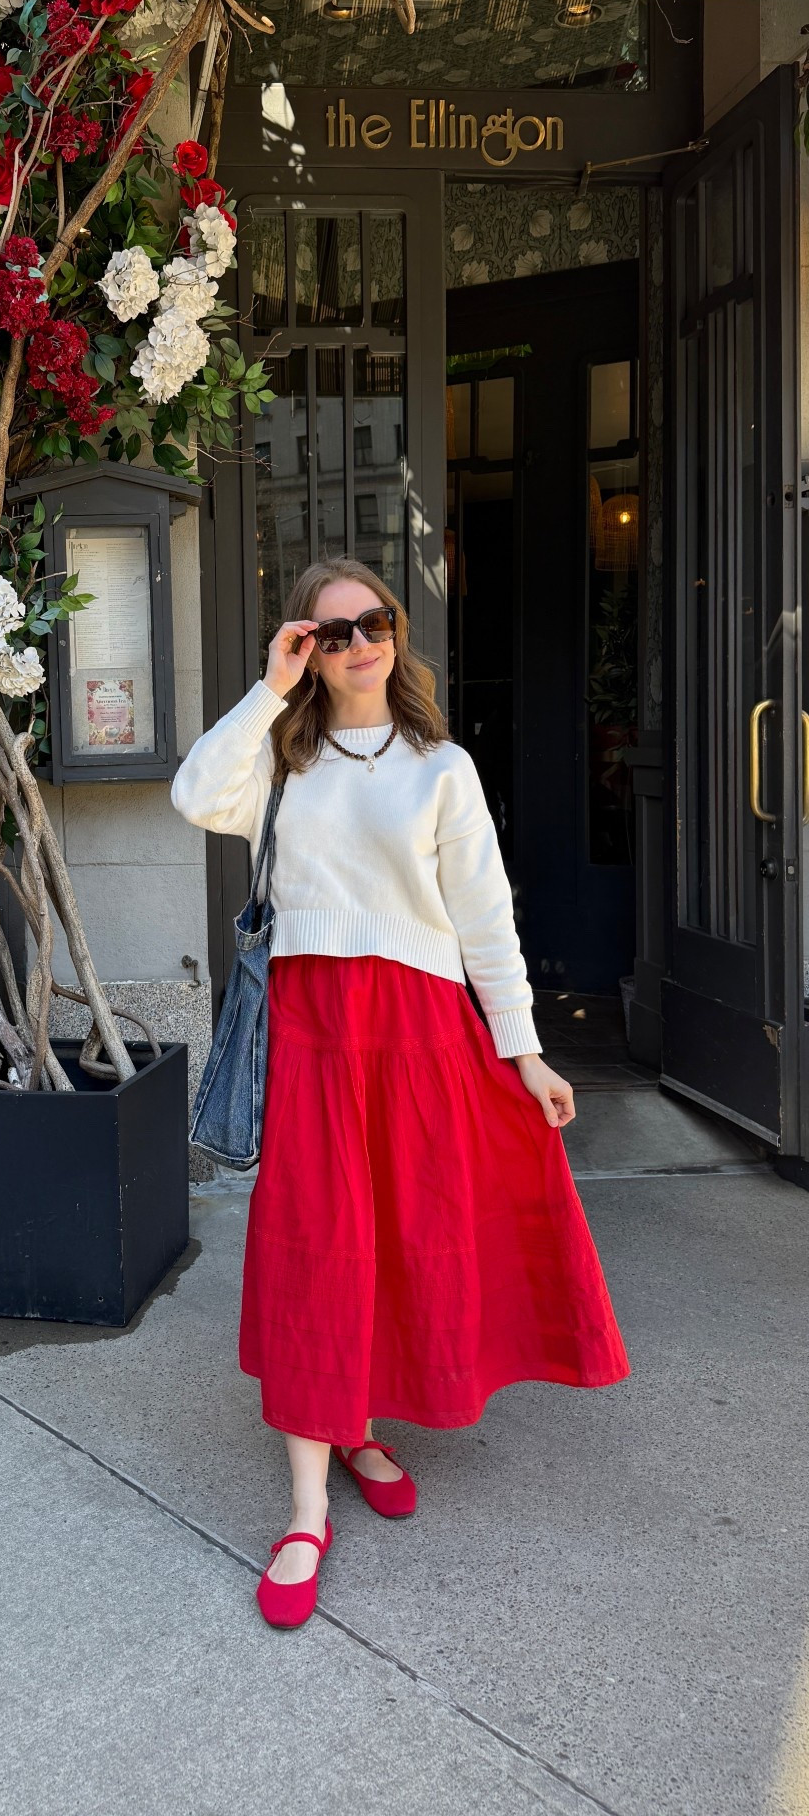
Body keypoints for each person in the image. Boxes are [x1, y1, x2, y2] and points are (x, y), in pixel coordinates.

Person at [171, 556, 630, 1630]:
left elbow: (484, 921)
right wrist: (269, 687)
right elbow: (194, 792)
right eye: (330, 631)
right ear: (308, 647)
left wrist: (524, 1050)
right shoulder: (279, 762)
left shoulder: (442, 766)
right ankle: (304, 1505)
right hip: (317, 1032)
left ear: (397, 631)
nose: (357, 642)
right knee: (316, 1242)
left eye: (371, 621)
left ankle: (361, 1421)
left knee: (408, 1233)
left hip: (421, 1032)